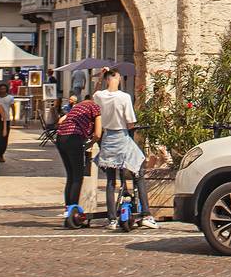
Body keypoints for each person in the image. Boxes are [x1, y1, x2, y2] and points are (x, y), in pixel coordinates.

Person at [93, 68, 157, 230]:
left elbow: (94, 95)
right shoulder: (124, 97)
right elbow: (130, 122)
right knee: (139, 171)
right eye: (119, 77)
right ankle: (146, 214)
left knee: (110, 181)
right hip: (121, 136)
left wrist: (100, 78)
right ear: (115, 78)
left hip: (107, 138)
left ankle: (112, 219)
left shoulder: (100, 96)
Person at [55, 91, 101, 218]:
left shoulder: (77, 107)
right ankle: (73, 209)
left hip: (61, 138)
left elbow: (60, 121)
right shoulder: (95, 107)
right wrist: (89, 144)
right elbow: (98, 134)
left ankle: (67, 208)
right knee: (77, 176)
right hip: (74, 138)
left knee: (70, 175)